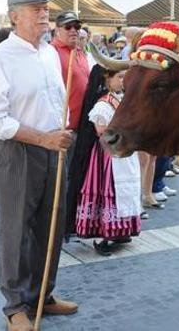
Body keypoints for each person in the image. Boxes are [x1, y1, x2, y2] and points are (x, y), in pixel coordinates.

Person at [0, 0, 77, 331]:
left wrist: (61, 134)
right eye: (35, 9)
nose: (44, 14)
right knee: (17, 229)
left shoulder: (48, 53)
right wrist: (42, 138)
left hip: (55, 149)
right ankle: (15, 305)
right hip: (19, 151)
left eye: (46, 8)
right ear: (14, 16)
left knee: (51, 225)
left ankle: (42, 296)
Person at [70, 66, 142, 256]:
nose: (122, 81)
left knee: (124, 190)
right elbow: (101, 131)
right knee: (108, 192)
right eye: (119, 77)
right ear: (107, 79)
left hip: (122, 152)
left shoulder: (120, 99)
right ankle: (104, 234)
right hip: (107, 156)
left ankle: (121, 230)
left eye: (124, 77)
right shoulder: (103, 104)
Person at [50, 12, 90, 145]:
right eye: (68, 26)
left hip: (82, 126)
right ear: (57, 31)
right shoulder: (51, 52)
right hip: (64, 129)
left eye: (77, 26)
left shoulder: (79, 51)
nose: (73, 30)